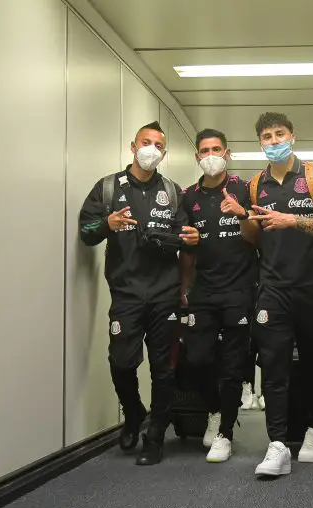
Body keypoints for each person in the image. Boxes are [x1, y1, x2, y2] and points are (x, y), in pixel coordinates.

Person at [78, 121, 200, 466]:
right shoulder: (107, 188)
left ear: (164, 153)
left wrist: (191, 239)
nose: (151, 150)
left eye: (158, 146)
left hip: (165, 295)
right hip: (126, 293)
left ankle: (155, 436)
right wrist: (107, 224)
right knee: (121, 362)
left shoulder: (172, 192)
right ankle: (133, 412)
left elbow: (187, 237)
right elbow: (86, 231)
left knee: (163, 369)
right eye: (146, 143)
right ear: (133, 147)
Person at [239, 111, 313, 477]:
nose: (274, 141)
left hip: (312, 287)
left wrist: (292, 220)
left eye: (279, 134)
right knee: (273, 366)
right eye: (267, 137)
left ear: (293, 136)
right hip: (272, 288)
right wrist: (243, 218)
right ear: (260, 143)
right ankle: (278, 444)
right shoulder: (256, 184)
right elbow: (254, 238)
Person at [179, 128, 259, 462]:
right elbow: (185, 247)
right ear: (197, 156)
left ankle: (225, 432)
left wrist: (242, 214)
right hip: (203, 290)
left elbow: (258, 238)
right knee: (197, 358)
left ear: (227, 153)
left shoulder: (245, 188)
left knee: (232, 364)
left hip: (239, 289)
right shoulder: (188, 196)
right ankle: (214, 409)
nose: (210, 155)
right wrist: (183, 286)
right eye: (204, 150)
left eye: (216, 149)